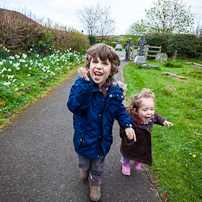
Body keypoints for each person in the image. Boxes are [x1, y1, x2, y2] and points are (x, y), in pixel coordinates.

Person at [67, 43, 136, 201]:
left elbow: (119, 110)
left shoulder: (114, 91)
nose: (99, 66)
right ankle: (84, 169)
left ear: (111, 70)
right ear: (88, 65)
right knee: (83, 159)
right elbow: (74, 107)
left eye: (104, 63)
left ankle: (95, 183)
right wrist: (85, 87)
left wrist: (127, 125)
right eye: (95, 62)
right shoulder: (80, 85)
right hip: (84, 136)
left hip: (102, 138)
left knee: (97, 165)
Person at [120, 88, 173, 175]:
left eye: (151, 109)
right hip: (130, 142)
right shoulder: (130, 119)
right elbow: (123, 128)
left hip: (142, 142)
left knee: (141, 152)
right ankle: (125, 164)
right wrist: (127, 134)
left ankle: (138, 161)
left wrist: (163, 121)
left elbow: (156, 116)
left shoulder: (151, 117)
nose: (149, 113)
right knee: (127, 154)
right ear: (135, 111)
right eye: (145, 110)